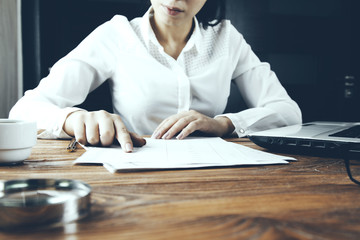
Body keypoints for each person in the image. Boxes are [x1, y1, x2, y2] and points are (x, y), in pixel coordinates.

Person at [10, 0, 302, 152]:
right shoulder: (118, 35)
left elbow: (288, 112)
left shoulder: (226, 39)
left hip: (214, 176)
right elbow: (24, 110)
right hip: (133, 171)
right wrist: (73, 119)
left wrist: (223, 124)